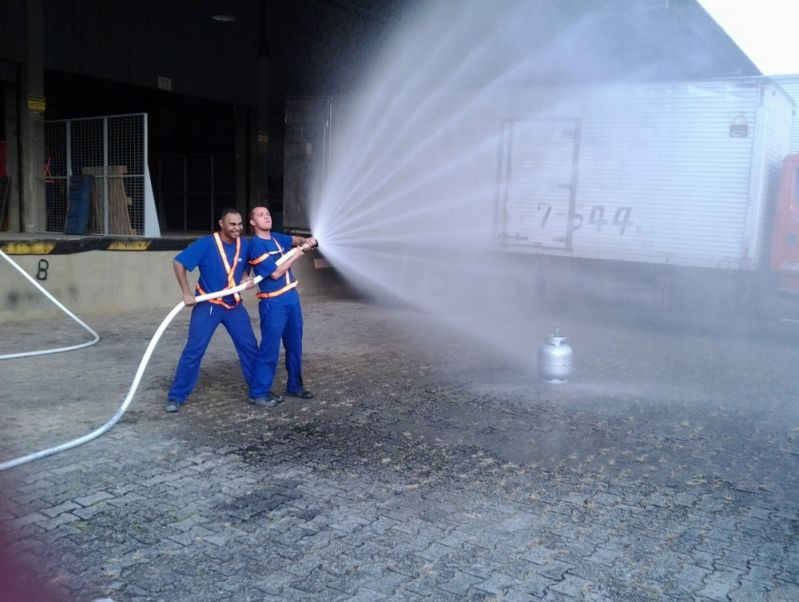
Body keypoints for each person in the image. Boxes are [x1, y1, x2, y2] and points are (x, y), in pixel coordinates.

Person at [165, 207, 259, 413]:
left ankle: (258, 391)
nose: (237, 228)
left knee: (250, 347)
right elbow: (178, 262)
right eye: (232, 224)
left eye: (240, 224)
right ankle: (176, 396)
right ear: (221, 224)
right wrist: (186, 292)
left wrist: (244, 277)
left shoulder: (244, 244)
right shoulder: (206, 244)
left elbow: (245, 264)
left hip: (234, 306)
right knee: (194, 350)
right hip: (208, 305)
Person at [247, 205, 317, 407]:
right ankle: (258, 392)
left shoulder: (276, 238)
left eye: (268, 213)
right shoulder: (256, 245)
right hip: (273, 302)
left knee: (295, 345)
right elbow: (276, 273)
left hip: (291, 299)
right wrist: (301, 251)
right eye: (261, 215)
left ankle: (295, 386)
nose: (267, 216)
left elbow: (293, 240)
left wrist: (304, 241)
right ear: (252, 222)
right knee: (269, 349)